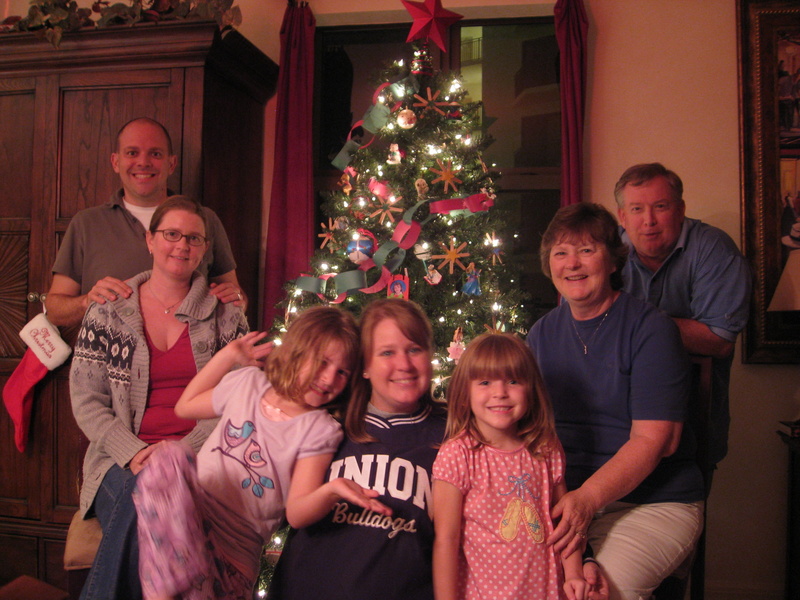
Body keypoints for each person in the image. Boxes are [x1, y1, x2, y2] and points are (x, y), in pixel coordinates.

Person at [133, 306, 391, 600]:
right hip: (190, 527)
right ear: (296, 352)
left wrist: (331, 490)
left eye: (342, 372)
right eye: (322, 363)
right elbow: (185, 406)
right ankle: (169, 581)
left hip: (231, 560)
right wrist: (227, 356)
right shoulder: (249, 383)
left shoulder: (319, 429)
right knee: (171, 456)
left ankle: (176, 579)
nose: (330, 378)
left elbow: (296, 513)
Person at [69, 195, 250, 600]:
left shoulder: (227, 316)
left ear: (205, 249)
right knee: (143, 499)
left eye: (194, 238)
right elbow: (86, 399)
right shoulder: (107, 311)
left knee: (153, 496)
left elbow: (238, 399)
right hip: (118, 460)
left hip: (202, 461)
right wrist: (133, 451)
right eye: (171, 234)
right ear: (151, 240)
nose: (182, 245)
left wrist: (179, 456)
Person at [526, 202, 705, 600]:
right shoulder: (540, 335)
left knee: (594, 595)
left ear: (612, 259)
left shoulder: (651, 329)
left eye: (587, 250)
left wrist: (586, 501)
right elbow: (527, 430)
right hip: (563, 502)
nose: (573, 263)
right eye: (561, 252)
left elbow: (656, 441)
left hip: (650, 503)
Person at [268, 299, 446, 600]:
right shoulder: (323, 424)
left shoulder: (454, 435)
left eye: (414, 349)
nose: (403, 364)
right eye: (387, 352)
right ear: (364, 366)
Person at [45, 117, 245, 328]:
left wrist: (236, 299)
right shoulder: (86, 223)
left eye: (155, 154)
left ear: (171, 164)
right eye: (132, 153)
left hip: (189, 358)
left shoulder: (205, 220)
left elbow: (237, 301)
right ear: (115, 162)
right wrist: (87, 302)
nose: (143, 162)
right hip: (107, 358)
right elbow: (55, 311)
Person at [614, 162, 751, 470]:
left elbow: (718, 340)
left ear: (680, 209)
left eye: (660, 207)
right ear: (622, 217)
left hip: (692, 424)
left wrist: (624, 321)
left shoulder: (714, 250)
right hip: (614, 428)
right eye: (636, 209)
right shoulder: (605, 253)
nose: (648, 221)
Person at [432, 333, 586, 600]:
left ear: (531, 390)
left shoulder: (546, 448)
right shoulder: (457, 454)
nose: (500, 393)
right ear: (465, 393)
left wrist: (574, 573)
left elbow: (564, 522)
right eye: (485, 382)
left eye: (513, 381)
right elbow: (446, 540)